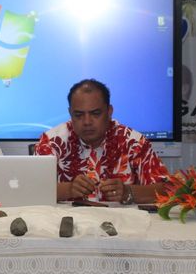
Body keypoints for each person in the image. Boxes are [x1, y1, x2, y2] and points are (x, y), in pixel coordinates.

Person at [34, 79, 169, 204]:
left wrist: (128, 192)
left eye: (95, 113)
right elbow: (28, 189)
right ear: (70, 113)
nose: (87, 122)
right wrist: (67, 190)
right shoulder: (51, 142)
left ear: (109, 111)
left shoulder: (134, 142)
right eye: (79, 115)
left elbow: (166, 189)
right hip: (65, 224)